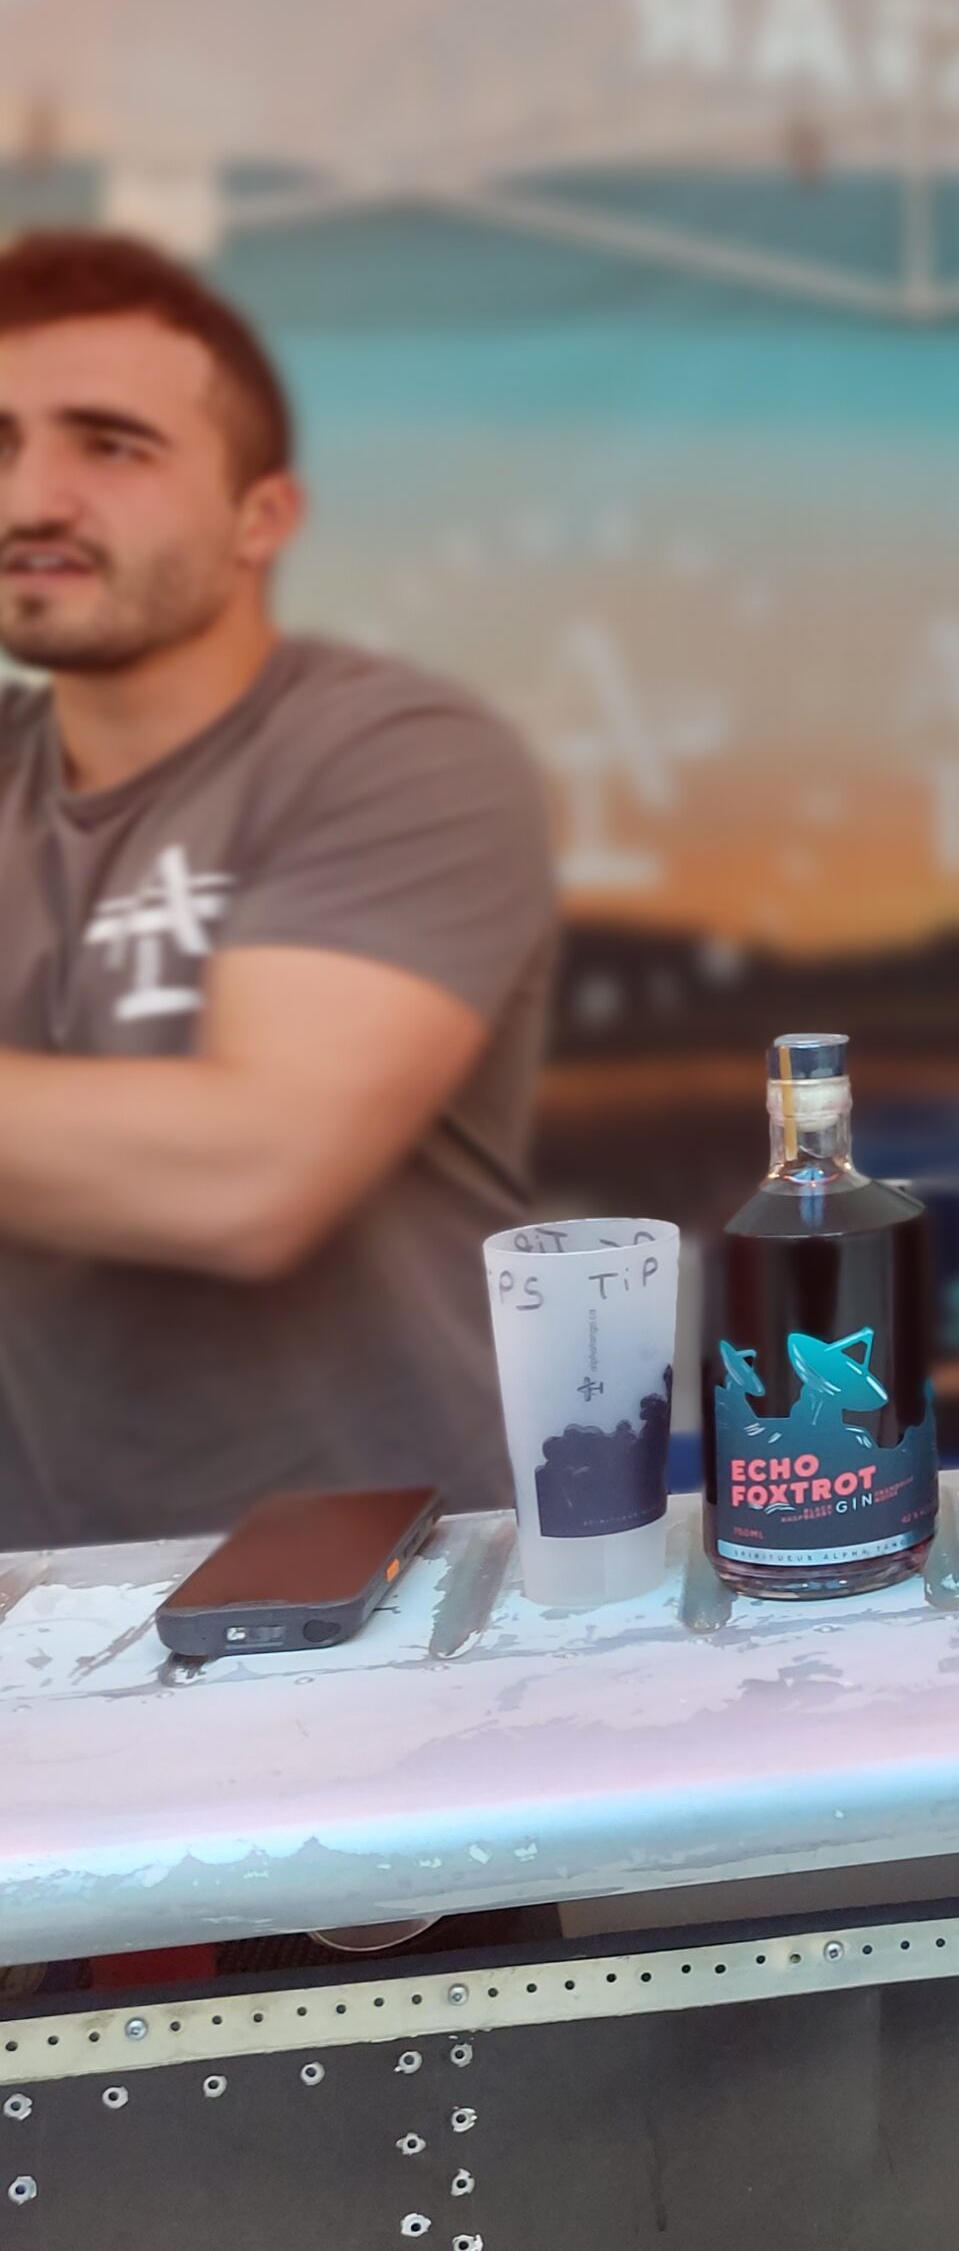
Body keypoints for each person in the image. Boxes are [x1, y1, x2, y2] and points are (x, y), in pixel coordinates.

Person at [0, 232, 556, 1548]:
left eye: (110, 446)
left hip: (392, 1580)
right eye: (3, 445)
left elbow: (251, 1177)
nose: (33, 498)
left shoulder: (398, 752)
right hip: (44, 1593)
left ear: (263, 517)